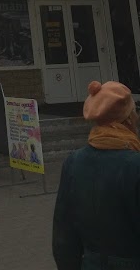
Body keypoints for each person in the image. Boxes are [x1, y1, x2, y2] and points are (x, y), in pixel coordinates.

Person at [53, 80, 140, 269]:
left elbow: (64, 236)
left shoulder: (73, 162)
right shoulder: (134, 165)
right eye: (134, 112)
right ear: (128, 119)